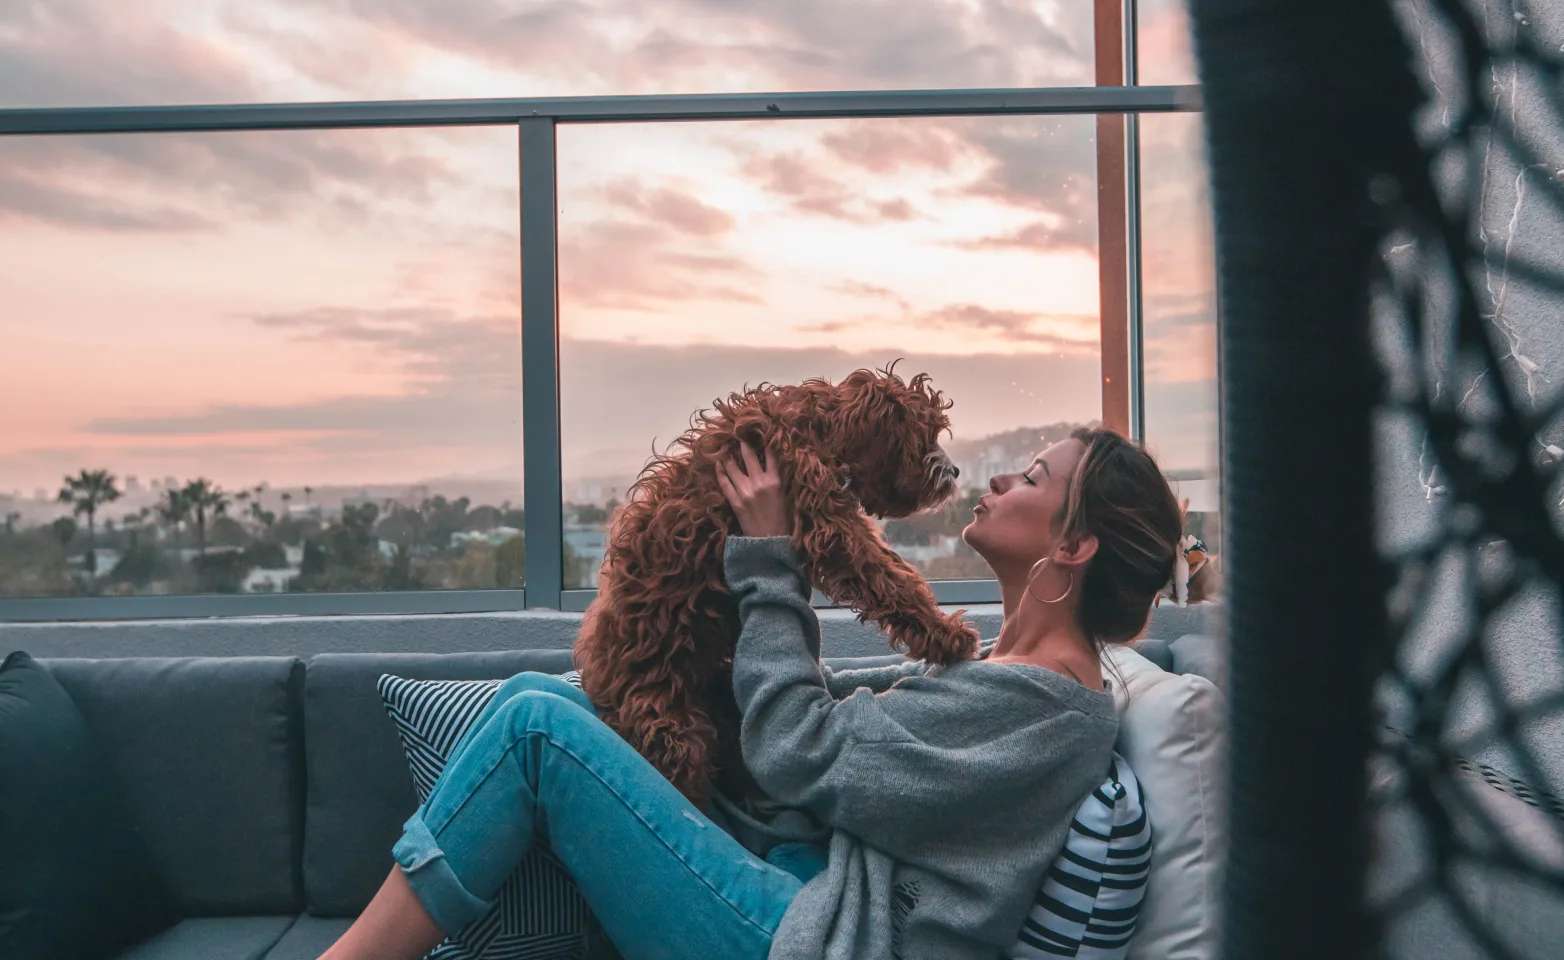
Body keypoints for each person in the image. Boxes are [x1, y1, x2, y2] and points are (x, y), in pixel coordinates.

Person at [319, 427, 1183, 960]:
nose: (999, 482)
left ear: (1075, 548)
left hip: (804, 939)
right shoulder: (1011, 674)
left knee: (533, 726)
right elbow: (853, 737)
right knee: (569, 704)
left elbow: (798, 748)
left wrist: (772, 556)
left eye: (1032, 478)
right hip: (806, 882)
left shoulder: (1042, 712)